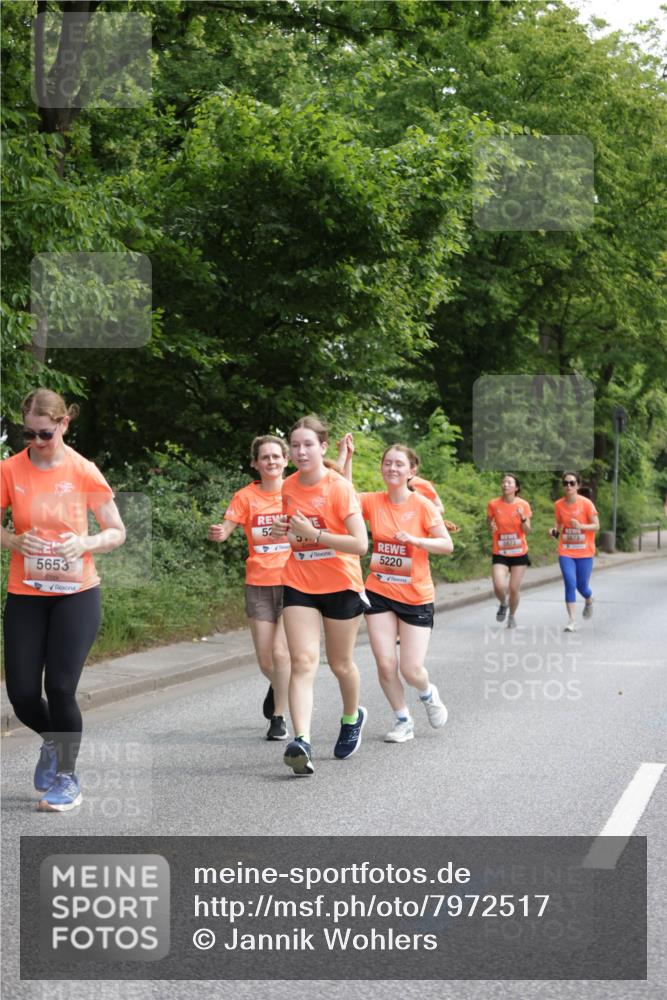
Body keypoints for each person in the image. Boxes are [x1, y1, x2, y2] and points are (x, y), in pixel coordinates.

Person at [1, 389, 126, 811]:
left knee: (59, 686)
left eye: (45, 433)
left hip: (77, 594)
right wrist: (13, 540)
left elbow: (116, 530)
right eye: (29, 433)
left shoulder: (83, 471)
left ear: (64, 424)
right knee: (20, 693)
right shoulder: (10, 470)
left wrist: (87, 542)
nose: (37, 441)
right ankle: (53, 740)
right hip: (26, 593)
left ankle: (68, 779)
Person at [271, 416, 369, 776]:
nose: (300, 452)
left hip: (341, 583)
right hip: (299, 581)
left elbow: (360, 544)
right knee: (303, 662)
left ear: (323, 447)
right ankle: (302, 741)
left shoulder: (339, 487)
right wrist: (292, 533)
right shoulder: (289, 487)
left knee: (340, 663)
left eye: (308, 445)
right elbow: (296, 540)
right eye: (295, 445)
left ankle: (351, 716)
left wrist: (314, 534)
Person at [357, 445, 453, 743]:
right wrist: (345, 459)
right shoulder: (372, 501)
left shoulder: (422, 505)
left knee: (412, 670)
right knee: (385, 663)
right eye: (387, 463)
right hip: (379, 591)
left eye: (399, 464)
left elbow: (446, 545)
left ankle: (427, 693)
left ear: (412, 472)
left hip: (415, 596)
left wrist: (415, 539)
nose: (392, 468)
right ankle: (403, 720)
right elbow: (342, 498)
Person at [208, 436, 291, 740]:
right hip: (258, 583)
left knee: (282, 654)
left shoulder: (295, 492)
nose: (271, 462)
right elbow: (227, 528)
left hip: (293, 583)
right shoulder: (245, 496)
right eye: (265, 457)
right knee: (266, 661)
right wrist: (220, 533)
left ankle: (279, 717)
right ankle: (281, 685)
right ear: (255, 463)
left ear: (286, 460)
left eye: (276, 456)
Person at [550, 472, 599, 632]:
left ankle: (589, 599)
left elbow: (596, 526)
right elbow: (558, 526)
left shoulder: (586, 504)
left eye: (572, 483)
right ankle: (572, 620)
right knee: (570, 583)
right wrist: (553, 532)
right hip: (566, 551)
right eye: (565, 483)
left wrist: (581, 527)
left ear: (578, 485)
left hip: (585, 552)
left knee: (582, 586)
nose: (568, 486)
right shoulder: (558, 505)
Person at [487, 474, 532, 629]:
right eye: (504, 482)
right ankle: (503, 603)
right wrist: (491, 528)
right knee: (499, 585)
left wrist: (523, 518)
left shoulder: (523, 505)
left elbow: (527, 530)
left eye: (509, 482)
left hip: (519, 552)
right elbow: (489, 524)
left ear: (516, 487)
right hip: (500, 551)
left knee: (513, 589)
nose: (505, 485)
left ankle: (512, 616)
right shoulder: (493, 504)